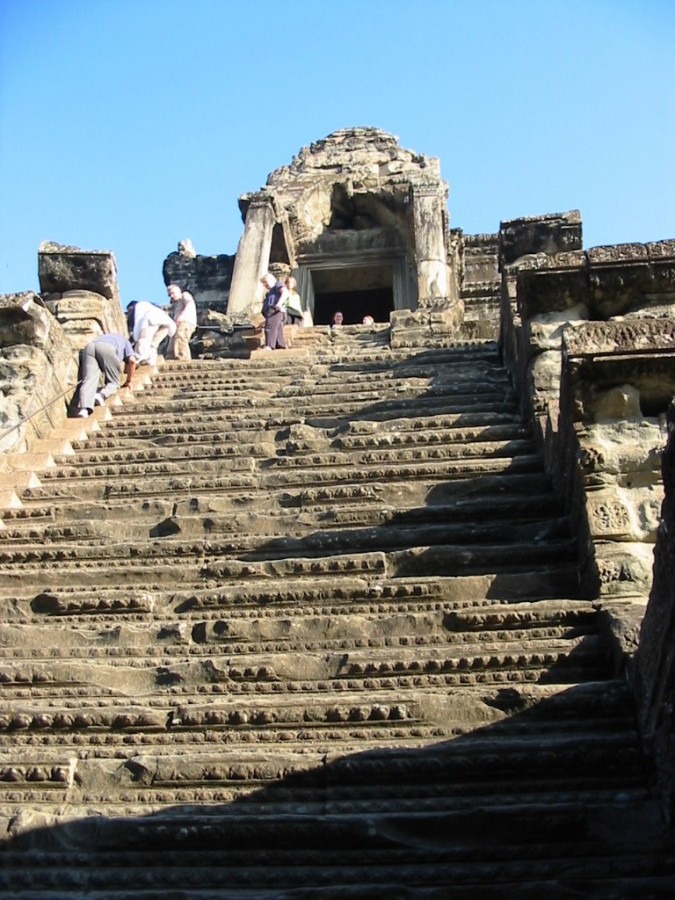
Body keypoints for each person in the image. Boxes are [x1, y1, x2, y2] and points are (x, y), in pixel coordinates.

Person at [75, 333, 136, 418]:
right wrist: (129, 381)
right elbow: (132, 361)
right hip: (107, 349)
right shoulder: (125, 341)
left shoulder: (105, 337)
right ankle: (101, 395)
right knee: (114, 383)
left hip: (90, 347)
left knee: (89, 379)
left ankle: (84, 409)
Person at [128, 300, 176, 366]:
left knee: (144, 339)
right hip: (166, 324)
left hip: (152, 320)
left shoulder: (139, 307)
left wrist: (135, 338)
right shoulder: (150, 306)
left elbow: (139, 326)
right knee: (153, 344)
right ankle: (151, 361)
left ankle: (140, 358)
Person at [166, 283, 197, 360]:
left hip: (185, 322)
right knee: (172, 343)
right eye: (169, 295)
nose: (171, 296)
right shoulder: (176, 304)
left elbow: (189, 304)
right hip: (177, 324)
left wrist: (182, 316)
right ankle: (170, 358)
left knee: (180, 338)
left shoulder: (184, 295)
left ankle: (183, 358)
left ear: (178, 291)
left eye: (172, 293)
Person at [261, 273, 287, 350]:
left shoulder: (277, 285)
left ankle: (269, 345)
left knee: (269, 327)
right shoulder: (268, 293)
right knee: (278, 328)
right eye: (263, 283)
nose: (265, 285)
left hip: (275, 310)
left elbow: (285, 292)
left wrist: (279, 303)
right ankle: (280, 345)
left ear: (271, 279)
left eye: (266, 282)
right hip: (271, 312)